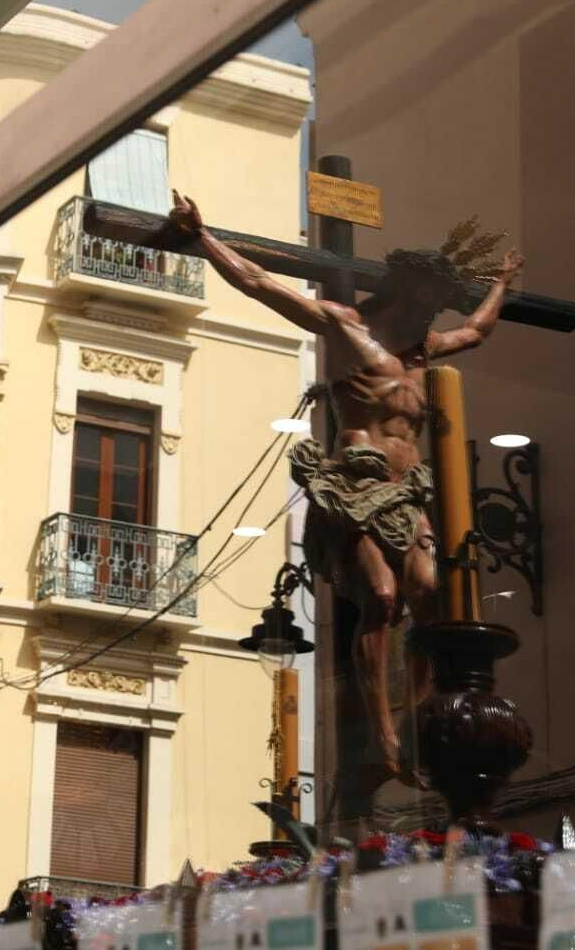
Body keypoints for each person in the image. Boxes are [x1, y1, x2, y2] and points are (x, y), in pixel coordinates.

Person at [168, 191, 525, 783]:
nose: (434, 317)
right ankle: (381, 731)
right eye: (429, 303)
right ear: (407, 293)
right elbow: (260, 283)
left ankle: (414, 711)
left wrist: (504, 282)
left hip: (408, 490)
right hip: (354, 488)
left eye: (439, 307)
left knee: (430, 590)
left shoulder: (424, 350)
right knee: (383, 599)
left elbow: (479, 332)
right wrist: (201, 238)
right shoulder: (344, 327)